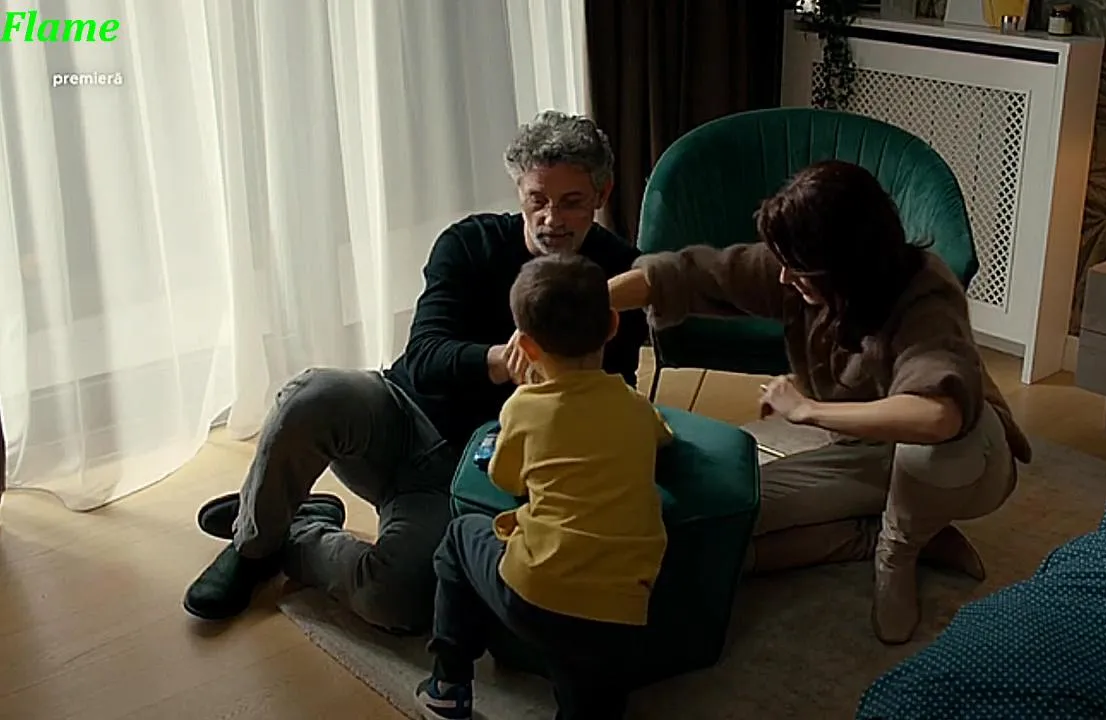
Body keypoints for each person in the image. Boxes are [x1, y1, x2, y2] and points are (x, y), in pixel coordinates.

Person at [181, 111, 648, 634]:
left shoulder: (620, 278)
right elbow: (424, 356)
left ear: (602, 193)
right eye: (537, 199)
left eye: (572, 202)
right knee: (311, 395)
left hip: (468, 475)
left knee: (399, 600)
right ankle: (251, 548)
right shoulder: (468, 243)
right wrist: (502, 359)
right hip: (399, 415)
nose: (551, 219)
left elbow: (615, 391)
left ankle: (294, 532)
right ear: (519, 190)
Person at [608, 159, 1033, 644]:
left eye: (797, 270)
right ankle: (874, 535)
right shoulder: (799, 271)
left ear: (846, 265)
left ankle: (898, 548)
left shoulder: (924, 298)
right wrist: (589, 306)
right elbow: (687, 274)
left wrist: (808, 410)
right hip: (867, 451)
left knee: (932, 454)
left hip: (967, 453)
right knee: (724, 522)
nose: (783, 278)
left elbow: (939, 415)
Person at [415, 254, 671, 720]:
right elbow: (662, 437)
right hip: (623, 606)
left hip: (536, 592)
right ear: (613, 325)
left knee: (458, 538)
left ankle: (448, 684)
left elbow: (506, 478)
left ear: (526, 347)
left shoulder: (522, 408)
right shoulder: (636, 407)